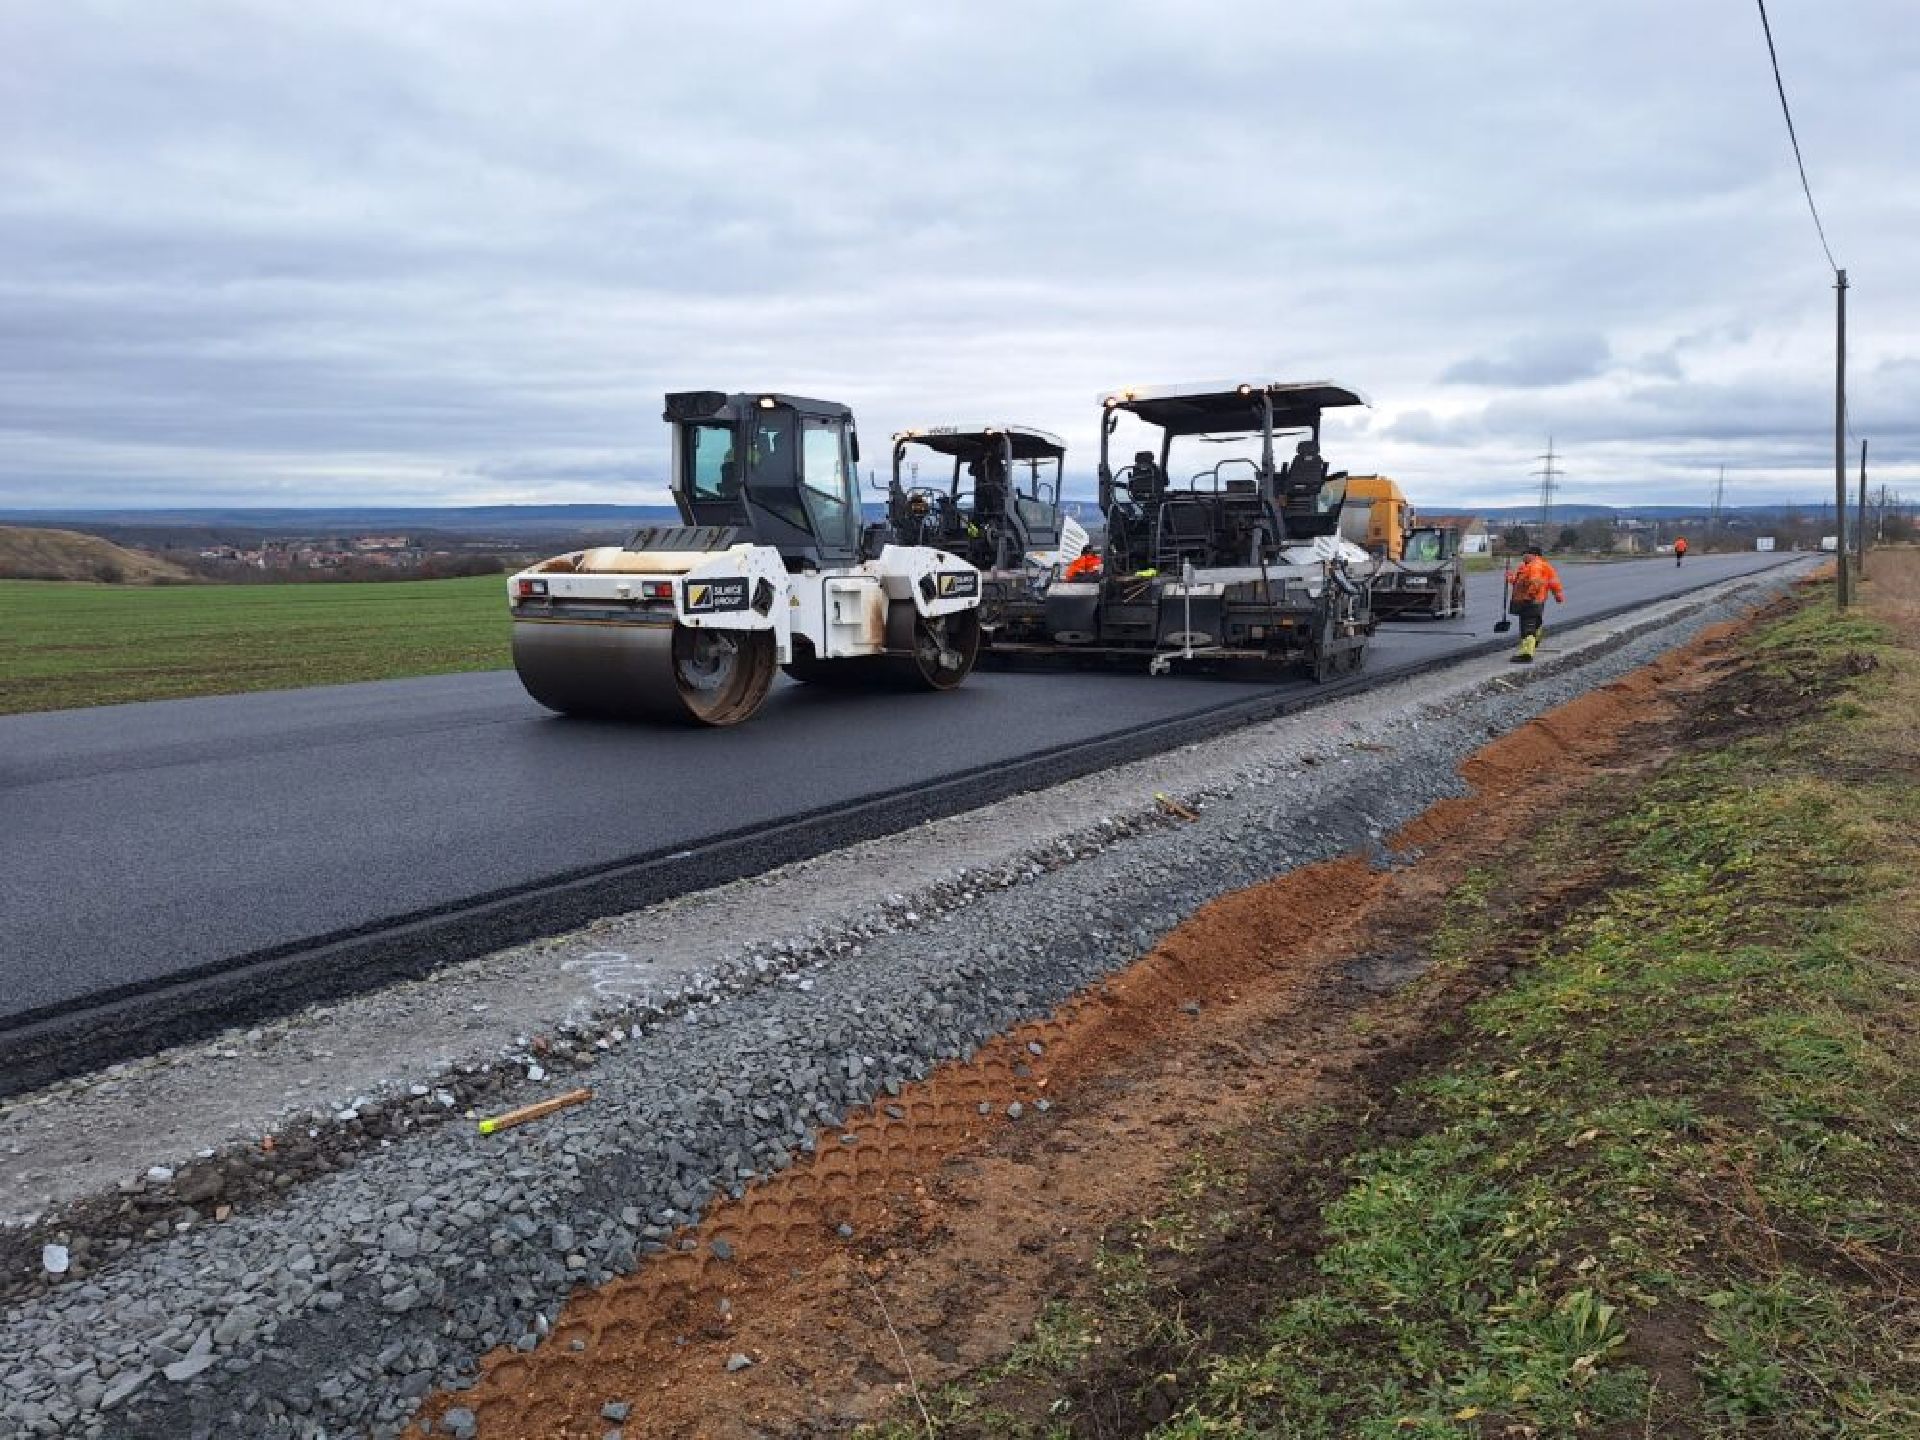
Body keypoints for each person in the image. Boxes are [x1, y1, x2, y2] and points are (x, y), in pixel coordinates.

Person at [1507, 544, 1564, 663]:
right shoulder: (1540, 566)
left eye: (1525, 554)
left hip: (1530, 601)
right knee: (1535, 622)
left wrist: (1529, 596)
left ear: (1533, 554)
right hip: (1538, 600)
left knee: (1527, 626)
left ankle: (1526, 654)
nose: (1523, 556)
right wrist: (1511, 578)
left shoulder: (1535, 566)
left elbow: (1535, 583)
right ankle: (1535, 641)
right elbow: (1553, 582)